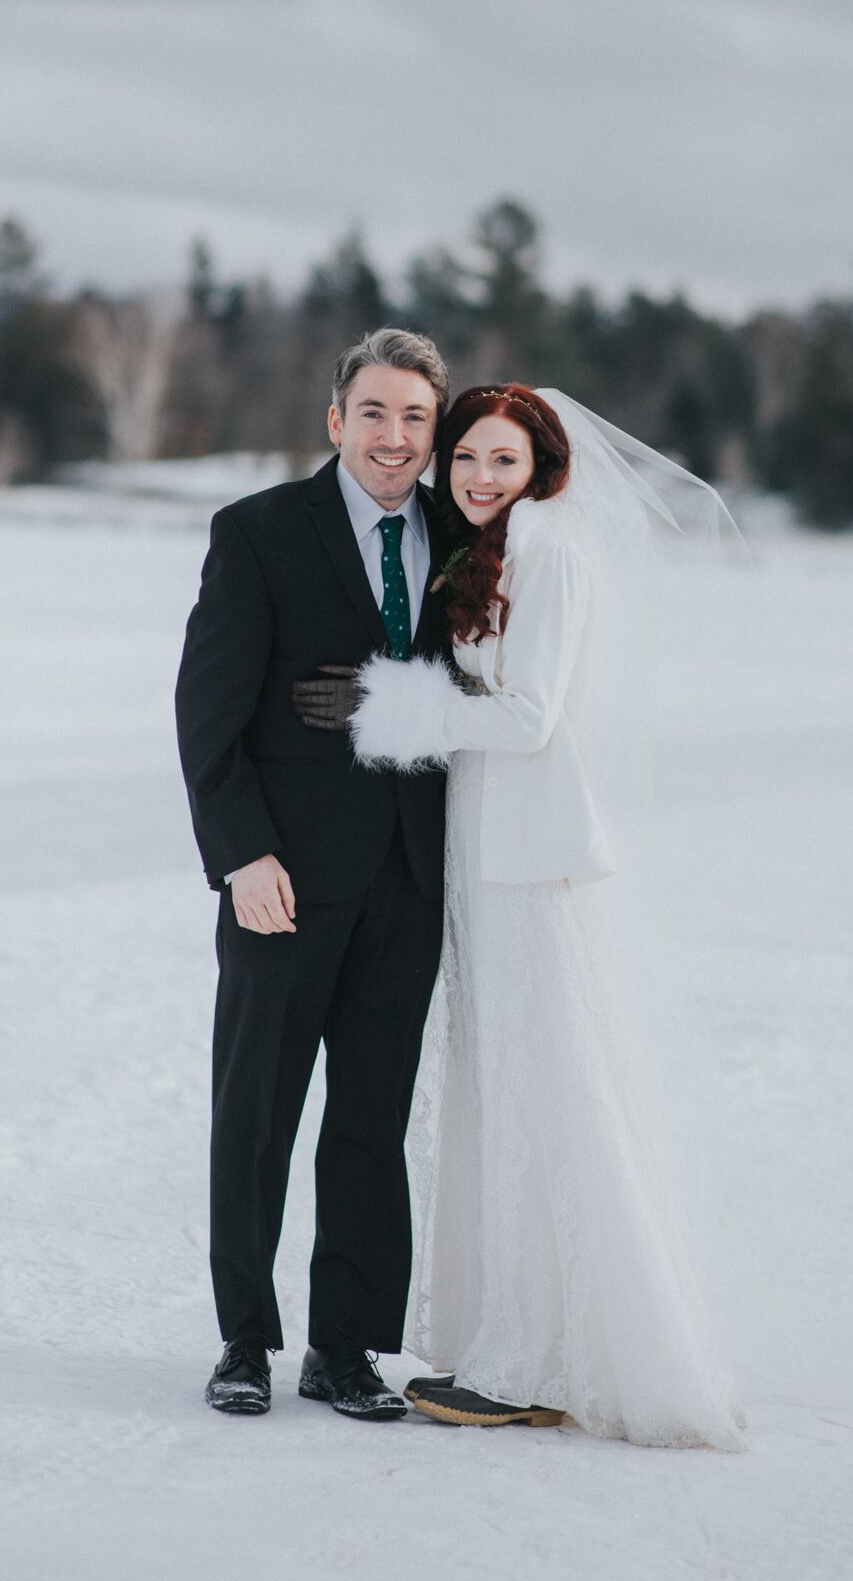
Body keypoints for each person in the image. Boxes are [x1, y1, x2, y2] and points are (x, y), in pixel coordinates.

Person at [294, 384, 747, 1449]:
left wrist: (384, 705)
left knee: (548, 1084)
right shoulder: (496, 548)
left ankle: (542, 1354)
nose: (477, 476)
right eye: (465, 458)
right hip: (489, 847)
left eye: (501, 459)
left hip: (529, 858)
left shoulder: (551, 555)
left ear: (543, 463)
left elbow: (531, 713)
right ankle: (519, 1337)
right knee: (505, 1083)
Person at [175, 328, 455, 1419]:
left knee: (371, 1119)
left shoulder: (465, 536)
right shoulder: (256, 532)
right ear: (337, 419)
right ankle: (245, 1339)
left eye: (416, 418)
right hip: (281, 877)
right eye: (375, 412)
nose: (395, 436)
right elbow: (207, 711)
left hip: (409, 876)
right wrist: (241, 853)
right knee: (256, 1112)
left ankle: (346, 1347)